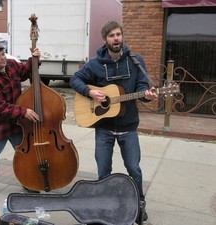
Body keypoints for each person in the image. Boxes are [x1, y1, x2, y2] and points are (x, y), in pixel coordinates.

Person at [69, 21, 158, 223]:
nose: (116, 38)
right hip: (104, 128)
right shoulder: (95, 63)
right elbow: (75, 79)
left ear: (122, 36)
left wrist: (147, 96)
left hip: (128, 128)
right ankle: (104, 206)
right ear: (105, 40)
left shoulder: (136, 61)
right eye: (111, 35)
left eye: (118, 34)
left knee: (134, 169)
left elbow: (142, 89)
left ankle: (138, 206)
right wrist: (90, 91)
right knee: (103, 171)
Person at [0, 43, 40, 197]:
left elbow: (26, 71)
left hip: (16, 123)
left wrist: (34, 59)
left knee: (24, 154)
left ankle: (27, 181)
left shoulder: (11, 64)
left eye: (3, 54)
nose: (2, 58)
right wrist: (23, 111)